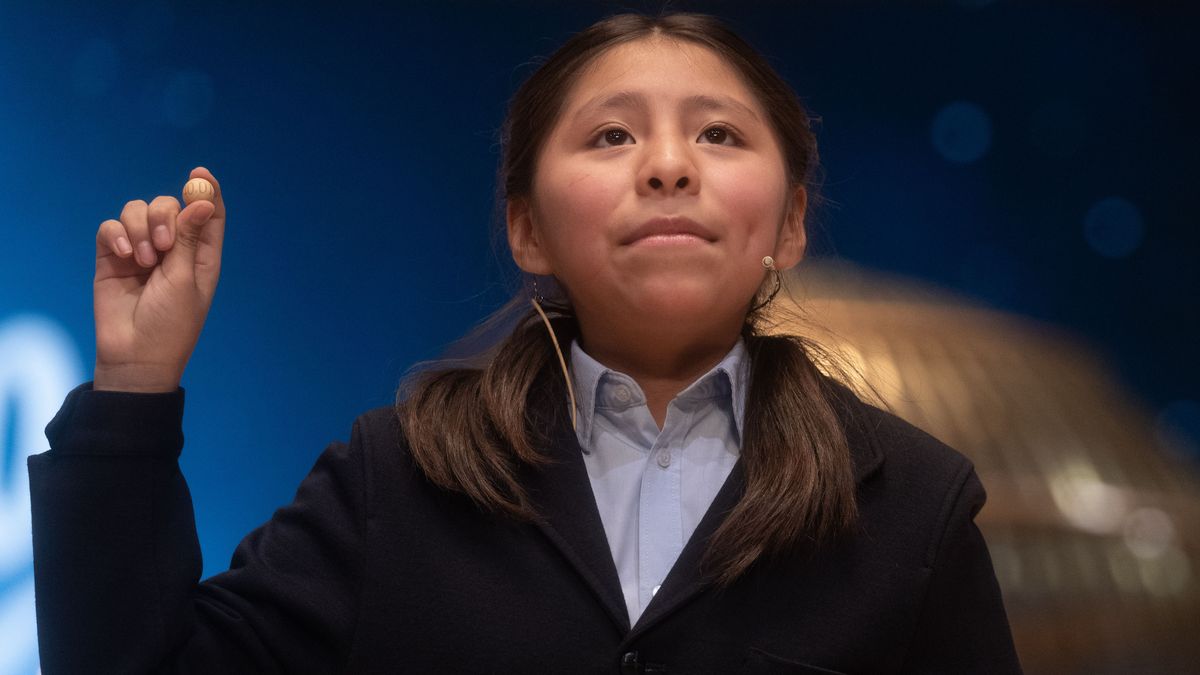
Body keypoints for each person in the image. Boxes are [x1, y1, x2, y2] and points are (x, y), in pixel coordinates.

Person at [29, 12, 1021, 674]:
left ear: (791, 225)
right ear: (527, 228)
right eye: (610, 137)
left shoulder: (918, 509)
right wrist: (133, 385)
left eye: (719, 135)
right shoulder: (397, 477)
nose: (669, 166)